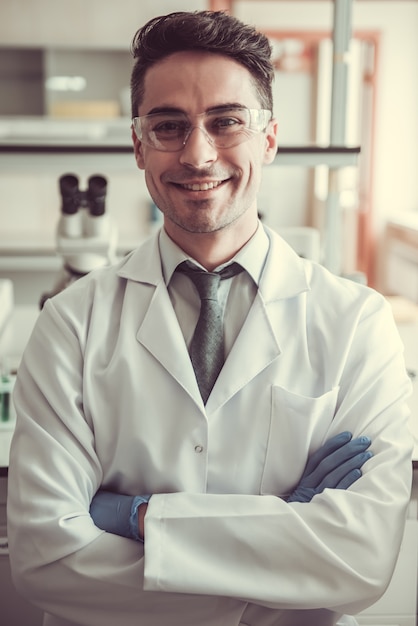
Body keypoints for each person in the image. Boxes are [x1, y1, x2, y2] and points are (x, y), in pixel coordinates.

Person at [7, 10, 412, 626]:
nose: (198, 154)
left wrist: (137, 514)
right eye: (168, 126)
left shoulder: (356, 322)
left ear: (269, 139)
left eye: (226, 122)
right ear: (138, 144)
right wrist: (281, 541)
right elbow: (46, 560)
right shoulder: (71, 322)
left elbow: (359, 561)